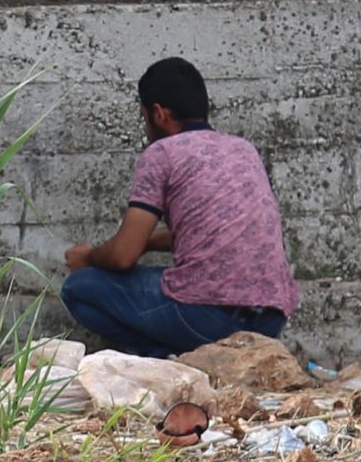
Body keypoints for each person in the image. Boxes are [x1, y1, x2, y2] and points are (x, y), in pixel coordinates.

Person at [60, 57, 299, 359]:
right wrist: (146, 240)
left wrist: (89, 256)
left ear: (158, 114)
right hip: (270, 319)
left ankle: (169, 359)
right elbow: (208, 230)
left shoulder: (162, 153)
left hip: (207, 317)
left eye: (144, 117)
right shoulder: (243, 149)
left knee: (79, 288)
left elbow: (122, 257)